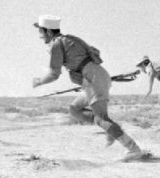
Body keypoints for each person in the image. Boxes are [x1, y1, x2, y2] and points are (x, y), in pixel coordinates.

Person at [32, 15, 149, 161]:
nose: (40, 36)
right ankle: (111, 128)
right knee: (75, 110)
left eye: (41, 32)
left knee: (101, 119)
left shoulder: (57, 44)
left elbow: (54, 74)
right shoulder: (70, 39)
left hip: (94, 79)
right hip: (94, 78)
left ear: (48, 32)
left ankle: (134, 149)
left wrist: (39, 81)